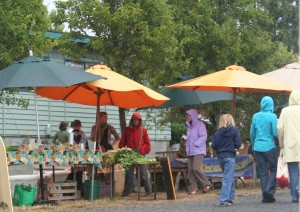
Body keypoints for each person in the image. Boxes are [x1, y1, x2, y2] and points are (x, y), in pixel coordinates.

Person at [250, 96, 278, 203]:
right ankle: (269, 191)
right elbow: (275, 133)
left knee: (263, 172)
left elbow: (252, 133)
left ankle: (265, 197)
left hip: (257, 147)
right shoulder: (273, 116)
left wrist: (253, 146)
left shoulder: (255, 116)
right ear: (271, 104)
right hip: (269, 147)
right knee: (274, 169)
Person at [118, 112, 153, 197]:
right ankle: (126, 193)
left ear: (139, 121)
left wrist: (144, 151)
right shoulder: (127, 130)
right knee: (129, 174)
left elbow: (148, 144)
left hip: (141, 154)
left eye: (137, 120)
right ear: (132, 120)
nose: (135, 122)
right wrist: (124, 151)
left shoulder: (143, 130)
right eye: (134, 120)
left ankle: (149, 192)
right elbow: (122, 143)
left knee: (143, 174)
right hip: (130, 154)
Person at [211, 114, 241, 207]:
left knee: (229, 176)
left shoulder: (217, 132)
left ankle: (230, 198)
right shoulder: (234, 131)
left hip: (221, 157)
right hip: (230, 156)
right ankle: (223, 200)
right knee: (228, 178)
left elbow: (213, 145)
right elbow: (238, 144)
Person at [277, 90, 300, 203]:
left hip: (290, 144)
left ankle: (294, 196)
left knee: (293, 171)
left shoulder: (285, 111)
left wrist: (282, 143)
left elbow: (280, 128)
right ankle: (299, 187)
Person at [185, 109, 212, 194]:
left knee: (196, 168)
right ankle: (194, 188)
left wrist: (196, 144)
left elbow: (204, 136)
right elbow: (189, 138)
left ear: (194, 115)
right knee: (190, 170)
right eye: (187, 115)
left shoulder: (201, 124)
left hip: (198, 150)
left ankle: (206, 183)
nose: (188, 117)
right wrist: (187, 144)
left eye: (189, 115)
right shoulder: (188, 127)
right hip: (190, 151)